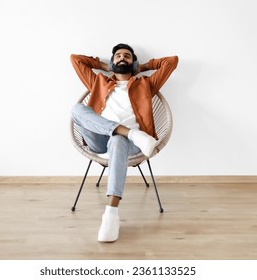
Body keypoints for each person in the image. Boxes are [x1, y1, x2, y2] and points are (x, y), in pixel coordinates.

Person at [70, 43, 178, 242]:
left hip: (129, 145)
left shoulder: (146, 84)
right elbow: (75, 59)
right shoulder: (98, 82)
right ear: (112, 61)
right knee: (76, 110)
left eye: (127, 56)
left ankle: (111, 214)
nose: (122, 58)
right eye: (118, 56)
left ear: (133, 62)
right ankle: (129, 133)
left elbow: (172, 62)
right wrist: (104, 66)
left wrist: (142, 67)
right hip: (100, 139)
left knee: (119, 140)